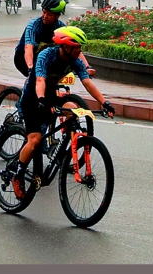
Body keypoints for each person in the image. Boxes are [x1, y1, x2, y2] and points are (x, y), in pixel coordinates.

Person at [10, 27, 115, 198]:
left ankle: (69, 142)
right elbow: (40, 80)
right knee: (35, 139)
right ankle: (17, 175)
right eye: (77, 48)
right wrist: (42, 100)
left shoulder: (74, 60)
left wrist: (105, 102)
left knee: (74, 109)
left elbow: (87, 83)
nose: (80, 51)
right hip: (33, 98)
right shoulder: (46, 55)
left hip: (50, 96)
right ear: (66, 47)